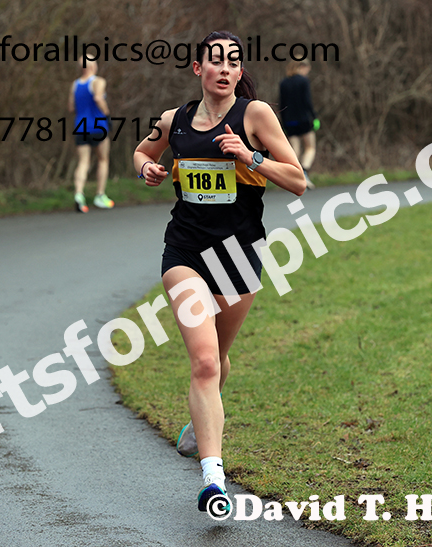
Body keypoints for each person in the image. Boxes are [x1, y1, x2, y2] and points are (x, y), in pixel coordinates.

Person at [133, 30, 305, 514]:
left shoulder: (255, 115)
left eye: (234, 61)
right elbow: (143, 152)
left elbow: (298, 181)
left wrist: (250, 157)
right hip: (184, 252)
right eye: (216, 60)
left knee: (220, 359)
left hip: (238, 255)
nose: (226, 68)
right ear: (198, 68)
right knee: (205, 362)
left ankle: (199, 419)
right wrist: (147, 167)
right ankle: (214, 479)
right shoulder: (175, 119)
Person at [68, 54, 114, 212]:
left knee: (83, 162)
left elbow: (71, 107)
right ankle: (100, 195)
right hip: (98, 126)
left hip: (80, 126)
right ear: (92, 65)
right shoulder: (98, 81)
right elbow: (98, 98)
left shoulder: (75, 85)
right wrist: (107, 115)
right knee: (103, 160)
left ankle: (79, 194)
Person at [279, 60, 319, 189]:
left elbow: (282, 104)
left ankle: (294, 175)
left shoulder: (283, 83)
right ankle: (304, 172)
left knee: (294, 150)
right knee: (310, 148)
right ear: (302, 67)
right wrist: (314, 117)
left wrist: (283, 123)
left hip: (289, 122)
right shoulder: (303, 81)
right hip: (304, 120)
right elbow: (307, 102)